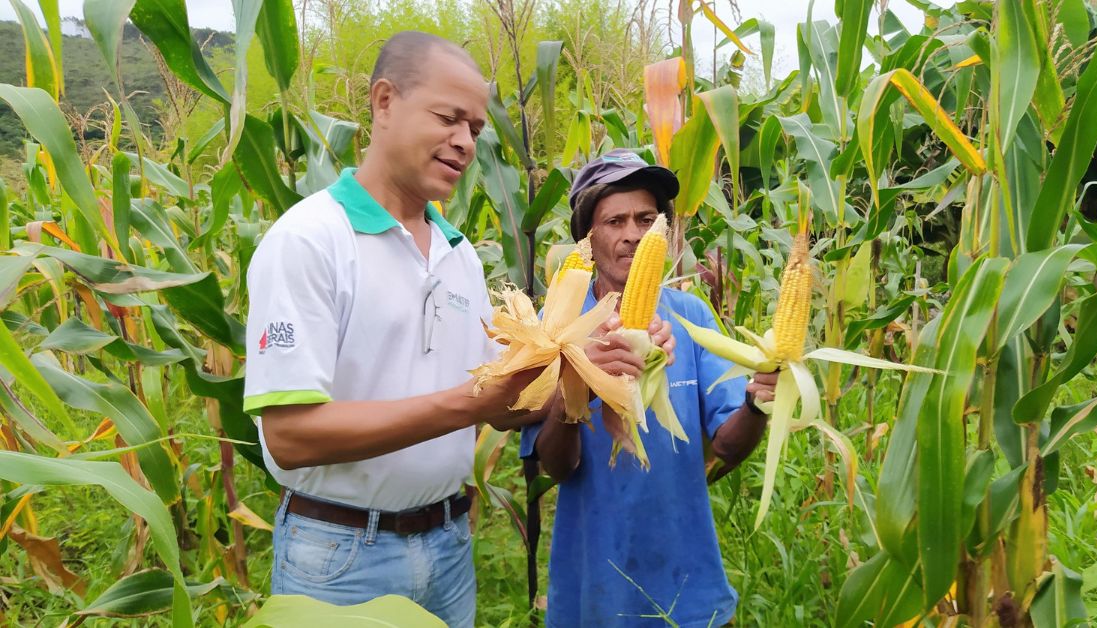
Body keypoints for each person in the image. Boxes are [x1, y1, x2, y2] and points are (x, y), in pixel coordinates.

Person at [243, 31, 541, 626]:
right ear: (383, 103)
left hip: (450, 544)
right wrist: (467, 402)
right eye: (448, 118)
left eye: (476, 129)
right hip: (342, 556)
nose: (464, 142)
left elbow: (500, 408)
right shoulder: (310, 241)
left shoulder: (459, 256)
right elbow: (290, 436)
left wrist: (581, 367)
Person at [521, 149, 780, 627]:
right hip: (593, 586)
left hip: (688, 585)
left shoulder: (693, 317)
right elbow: (557, 466)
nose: (633, 235)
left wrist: (758, 402)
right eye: (615, 221)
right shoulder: (554, 323)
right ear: (588, 236)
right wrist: (581, 386)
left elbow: (726, 443)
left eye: (646, 220)